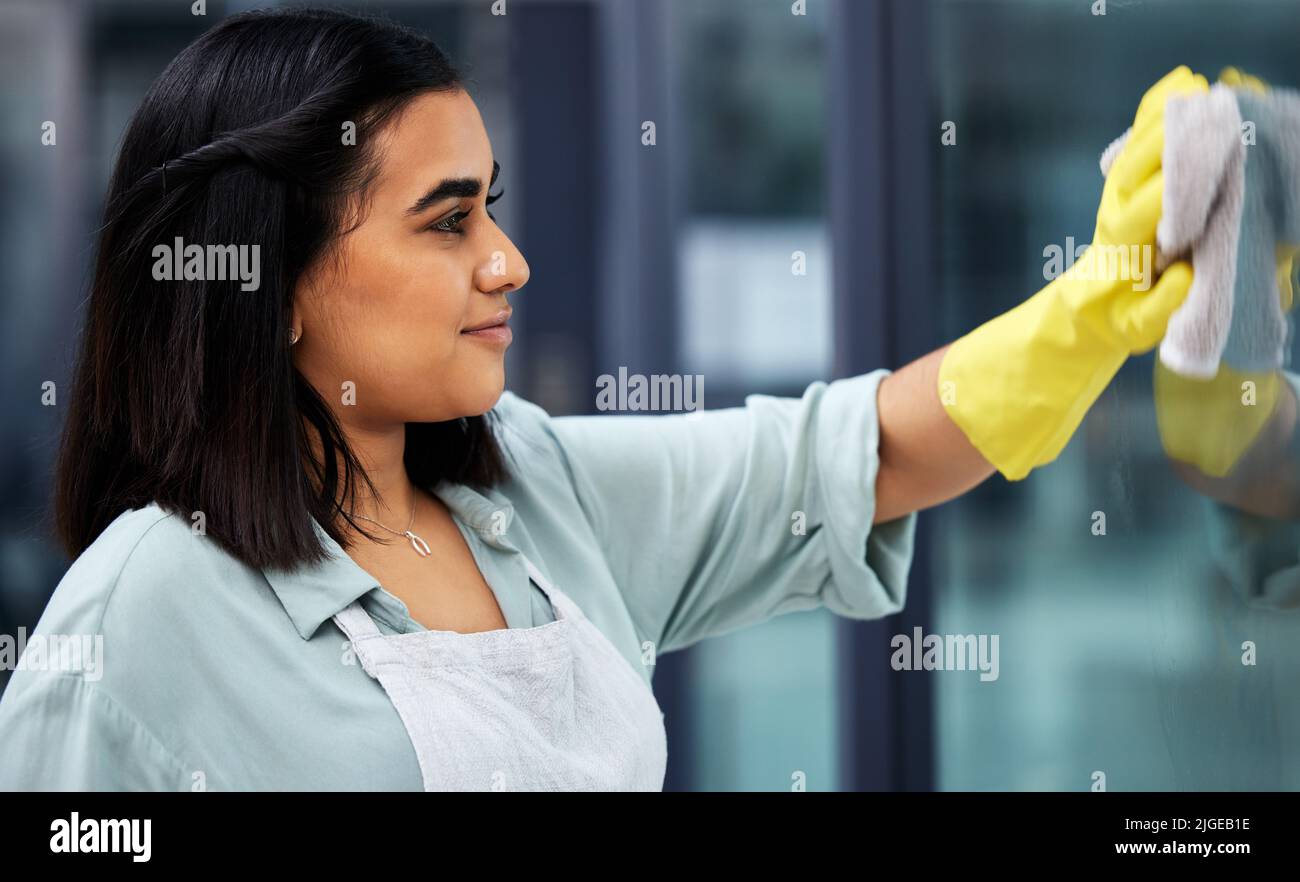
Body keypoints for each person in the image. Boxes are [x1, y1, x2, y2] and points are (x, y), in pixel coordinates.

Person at [0, 7, 1203, 790]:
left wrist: (1095, 301)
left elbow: (856, 459)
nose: (506, 261)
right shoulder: (142, 610)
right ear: (278, 279)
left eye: (497, 204)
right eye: (449, 220)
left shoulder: (524, 488)